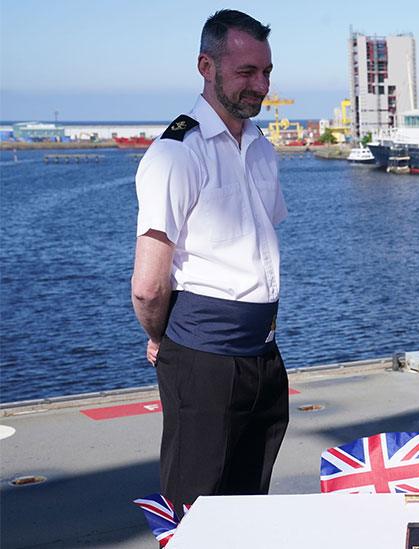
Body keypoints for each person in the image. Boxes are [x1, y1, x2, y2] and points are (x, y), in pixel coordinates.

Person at [130, 9, 288, 514]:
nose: (259, 85)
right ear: (206, 66)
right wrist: (162, 339)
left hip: (263, 358)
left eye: (265, 72)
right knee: (194, 514)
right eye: (246, 72)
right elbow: (149, 286)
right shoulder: (176, 154)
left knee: (248, 508)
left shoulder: (262, 150)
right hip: (203, 363)